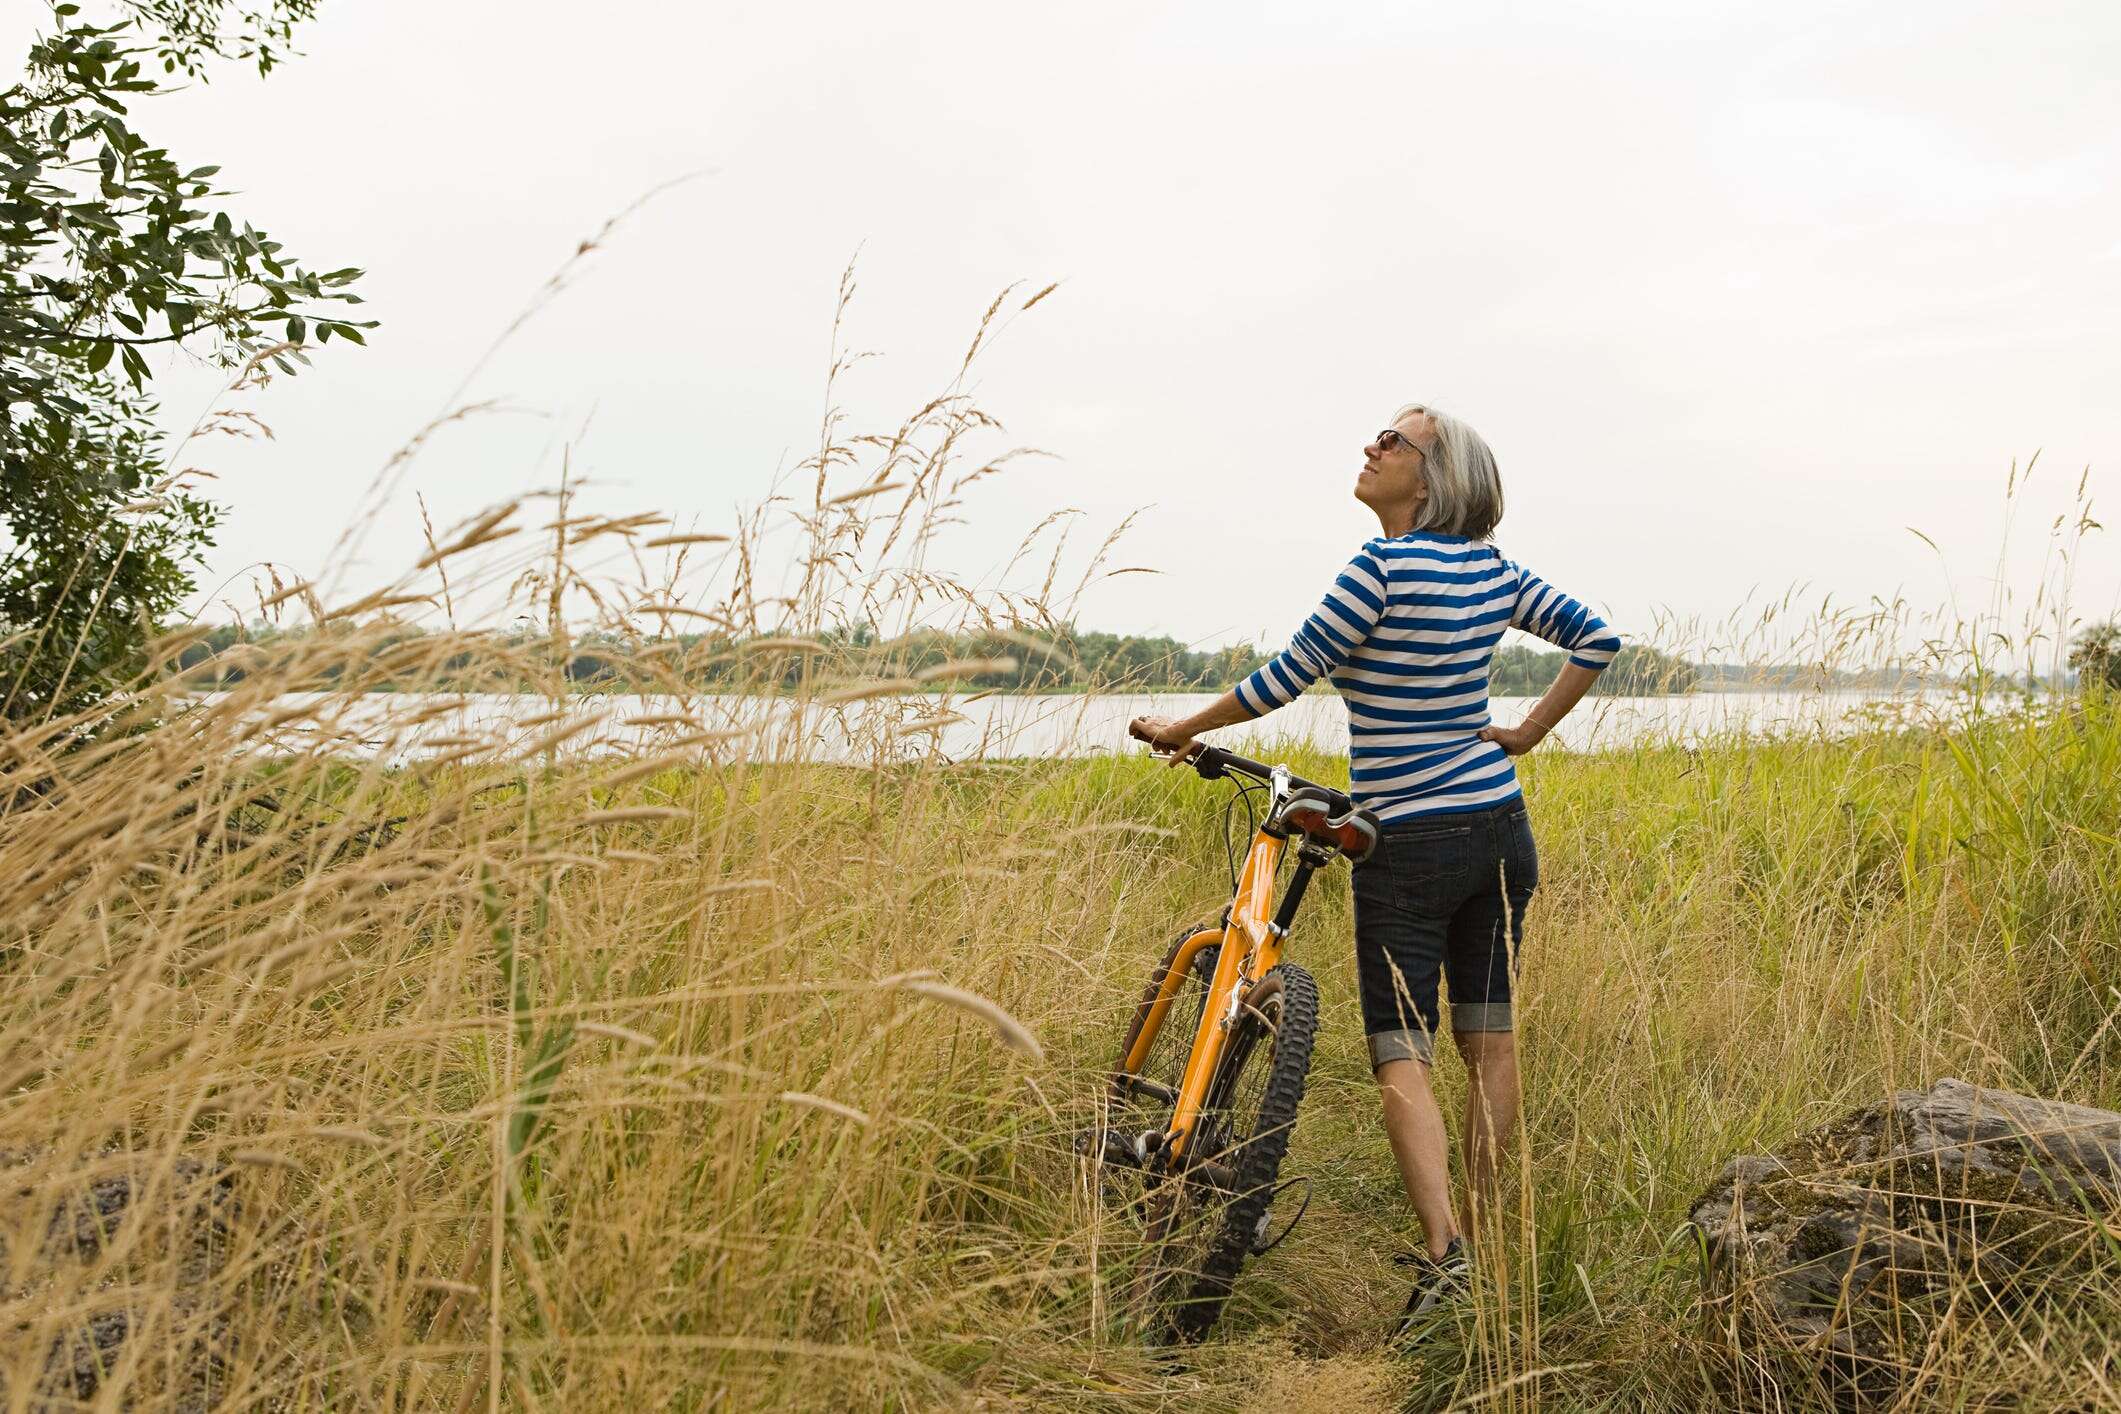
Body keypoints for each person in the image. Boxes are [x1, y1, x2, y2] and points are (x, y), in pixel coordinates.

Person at [1129, 404, 1620, 1335]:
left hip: (1412, 841)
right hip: (1499, 827)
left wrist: (1180, 728)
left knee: (1402, 1050)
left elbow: (1286, 676)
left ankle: (1443, 1258)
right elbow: (1598, 639)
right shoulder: (1491, 570)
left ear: (1432, 480)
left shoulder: (1382, 567)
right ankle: (1476, 1236)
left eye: (1393, 442)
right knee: (1491, 1042)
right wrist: (1521, 734)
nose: (1370, 447)